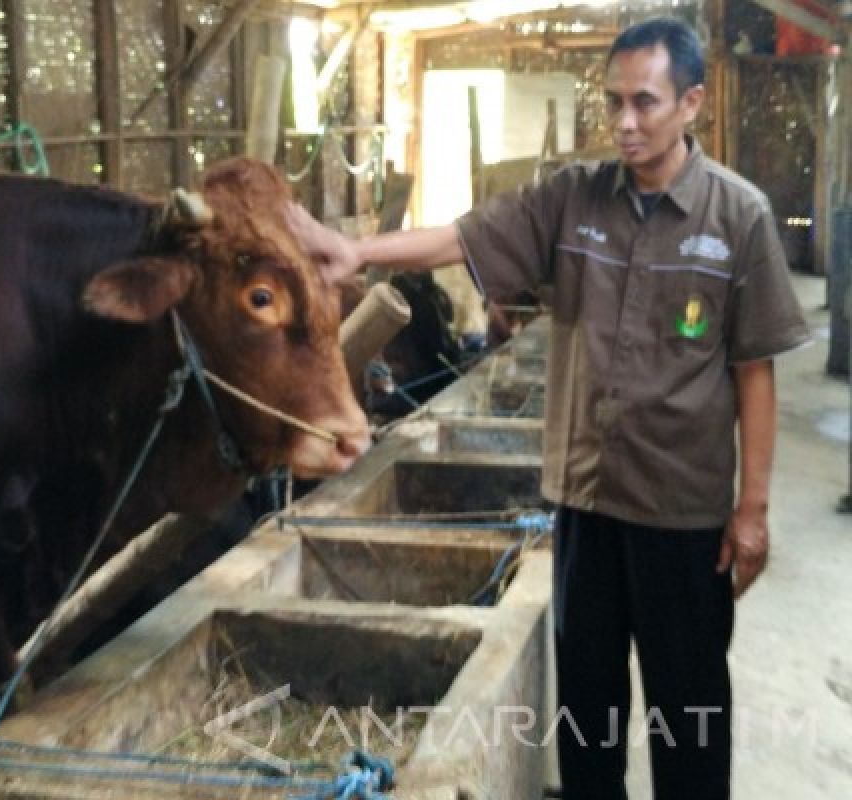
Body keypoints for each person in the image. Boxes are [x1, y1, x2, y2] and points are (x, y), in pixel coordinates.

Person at [287, 16, 811, 800]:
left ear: (692, 103)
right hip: (586, 506)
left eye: (645, 102)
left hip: (683, 517)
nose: (625, 123)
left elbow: (753, 372)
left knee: (690, 714)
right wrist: (358, 253)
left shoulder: (738, 219)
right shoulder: (573, 201)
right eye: (614, 103)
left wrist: (754, 510)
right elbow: (461, 239)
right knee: (588, 718)